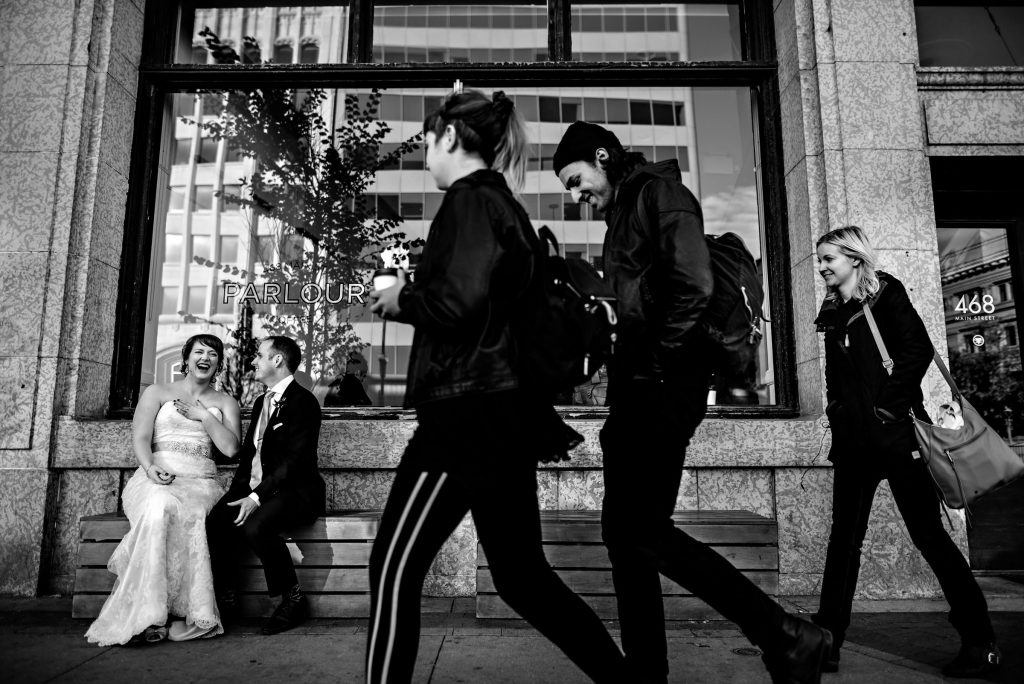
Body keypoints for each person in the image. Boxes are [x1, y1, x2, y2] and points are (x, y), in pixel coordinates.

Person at [553, 121, 832, 684]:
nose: (575, 194)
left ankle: (783, 632)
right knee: (625, 536)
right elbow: (641, 304)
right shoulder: (626, 210)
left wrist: (653, 365)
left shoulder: (660, 194)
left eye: (576, 179)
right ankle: (648, 673)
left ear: (602, 156)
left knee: (642, 532)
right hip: (641, 389)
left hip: (662, 387)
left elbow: (695, 285)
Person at [366, 90, 629, 684]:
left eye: (429, 143)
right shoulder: (499, 205)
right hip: (502, 416)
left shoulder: (470, 201)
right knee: (521, 577)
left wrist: (401, 296)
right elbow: (482, 303)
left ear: (451, 138)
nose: (425, 156)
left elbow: (458, 303)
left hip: (464, 417)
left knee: (393, 568)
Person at [812, 225, 1000, 677]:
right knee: (843, 543)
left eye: (828, 260)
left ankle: (980, 641)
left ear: (854, 259)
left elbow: (917, 351)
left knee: (929, 537)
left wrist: (885, 407)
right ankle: (825, 641)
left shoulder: (886, 294)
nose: (821, 268)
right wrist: (840, 418)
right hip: (855, 446)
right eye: (820, 260)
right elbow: (837, 381)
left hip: (896, 439)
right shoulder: (833, 310)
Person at [85, 334, 241, 646]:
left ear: (218, 364)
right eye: (199, 351)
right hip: (156, 476)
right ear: (186, 358)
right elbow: (141, 438)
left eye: (213, 354)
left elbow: (230, 448)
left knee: (195, 512)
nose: (205, 357)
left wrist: (204, 417)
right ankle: (149, 615)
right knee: (159, 507)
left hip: (200, 482)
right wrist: (149, 467)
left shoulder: (225, 402)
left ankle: (186, 611)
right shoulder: (157, 392)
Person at [207, 335, 326, 635]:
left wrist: (255, 498)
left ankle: (293, 598)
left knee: (255, 525)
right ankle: (227, 595)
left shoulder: (304, 402)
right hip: (258, 490)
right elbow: (250, 456)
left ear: (277, 360)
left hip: (297, 493)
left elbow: (294, 463)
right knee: (217, 521)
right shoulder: (262, 401)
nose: (253, 361)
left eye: (259, 355)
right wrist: (238, 494)